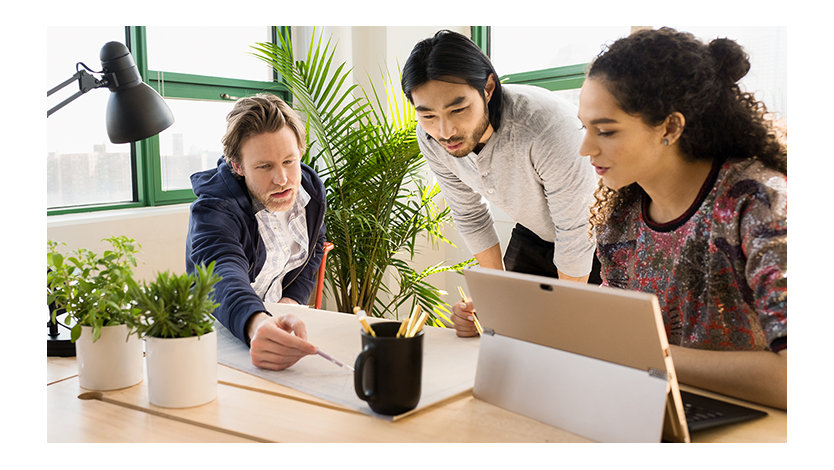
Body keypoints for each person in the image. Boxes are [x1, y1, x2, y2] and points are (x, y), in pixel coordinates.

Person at [577, 28, 787, 409]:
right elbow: (619, 331)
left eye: (605, 130)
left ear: (671, 127)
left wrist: (657, 358)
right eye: (585, 127)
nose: (585, 148)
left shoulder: (758, 201)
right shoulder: (620, 216)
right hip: (655, 406)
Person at [401, 30, 599, 337]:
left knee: (580, 339)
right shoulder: (430, 136)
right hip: (534, 232)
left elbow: (576, 232)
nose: (445, 131)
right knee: (507, 333)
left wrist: (563, 319)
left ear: (488, 87)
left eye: (458, 109)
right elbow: (470, 214)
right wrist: (493, 308)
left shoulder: (545, 127)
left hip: (599, 240)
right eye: (427, 114)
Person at [186, 93, 326, 371]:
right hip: (219, 337)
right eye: (264, 166)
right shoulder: (214, 208)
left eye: (289, 161)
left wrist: (292, 301)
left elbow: (315, 244)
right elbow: (219, 274)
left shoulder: (310, 190)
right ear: (237, 166)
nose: (282, 179)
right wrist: (257, 322)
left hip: (271, 325)